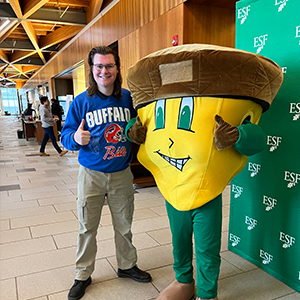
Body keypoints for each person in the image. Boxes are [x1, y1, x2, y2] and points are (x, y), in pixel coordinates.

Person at [61, 46, 152, 300]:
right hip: (91, 174)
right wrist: (76, 138)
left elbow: (139, 127)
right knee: (87, 227)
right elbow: (65, 137)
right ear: (92, 70)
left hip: (122, 173)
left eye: (109, 65)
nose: (104, 71)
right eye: (99, 66)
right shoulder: (81, 102)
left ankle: (126, 266)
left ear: (117, 68)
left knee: (124, 225)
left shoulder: (128, 99)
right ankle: (82, 274)